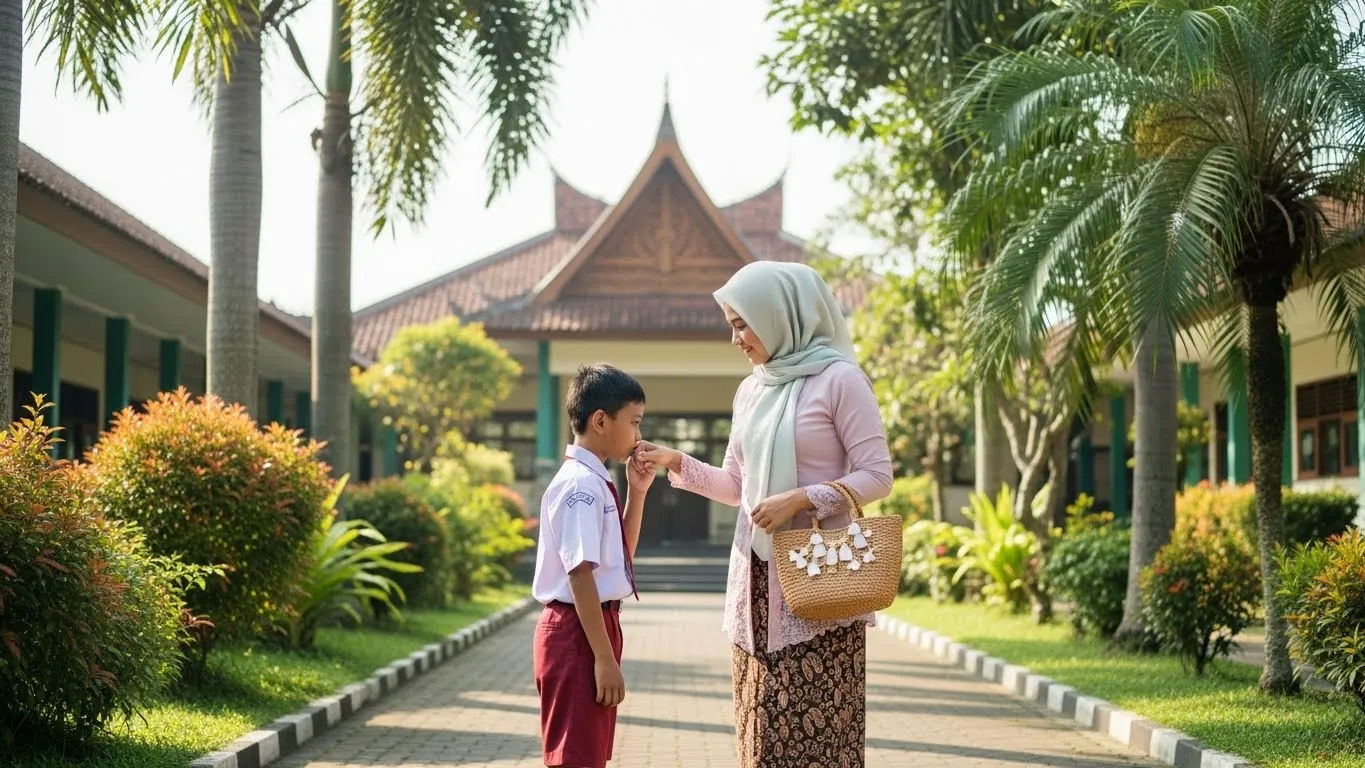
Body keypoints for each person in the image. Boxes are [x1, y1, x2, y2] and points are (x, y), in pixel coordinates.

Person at [637, 260, 892, 768]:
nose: (735, 340)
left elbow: (878, 475)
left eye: (742, 324)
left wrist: (802, 498)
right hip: (755, 584)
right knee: (760, 740)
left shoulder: (840, 380)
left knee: (822, 741)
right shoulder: (751, 390)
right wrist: (676, 461)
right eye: (731, 326)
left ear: (780, 316)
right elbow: (736, 486)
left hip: (818, 584)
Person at [531, 363, 654, 768]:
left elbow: (619, 557)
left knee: (589, 755)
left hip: (593, 625)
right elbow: (579, 573)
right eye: (634, 422)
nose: (638, 435)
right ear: (601, 421)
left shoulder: (595, 479)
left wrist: (637, 492)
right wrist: (603, 657)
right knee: (576, 758)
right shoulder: (579, 485)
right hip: (578, 631)